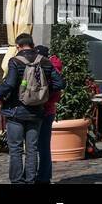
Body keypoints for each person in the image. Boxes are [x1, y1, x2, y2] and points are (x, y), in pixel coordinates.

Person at [0, 34, 65, 183]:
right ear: (32, 44)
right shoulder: (44, 61)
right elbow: (60, 83)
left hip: (16, 111)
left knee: (16, 149)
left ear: (18, 46)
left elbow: (10, 84)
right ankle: (31, 180)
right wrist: (43, 93)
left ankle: (18, 181)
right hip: (37, 112)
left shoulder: (15, 61)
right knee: (32, 150)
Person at [36, 46, 63, 183]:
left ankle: (42, 177)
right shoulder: (54, 68)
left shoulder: (47, 68)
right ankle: (45, 176)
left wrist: (41, 98)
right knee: (44, 146)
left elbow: (56, 88)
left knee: (38, 146)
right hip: (49, 110)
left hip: (43, 110)